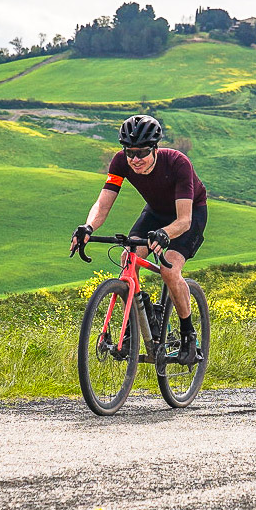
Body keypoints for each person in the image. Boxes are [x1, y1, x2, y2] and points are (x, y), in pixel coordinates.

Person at [70, 113, 208, 364]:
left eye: (142, 153)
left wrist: (166, 234)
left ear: (155, 149)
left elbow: (184, 220)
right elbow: (103, 204)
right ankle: (143, 316)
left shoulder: (178, 163)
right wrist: (88, 227)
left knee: (169, 269)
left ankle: (189, 335)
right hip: (155, 213)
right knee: (128, 257)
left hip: (189, 214)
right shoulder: (120, 163)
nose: (135, 159)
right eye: (129, 152)